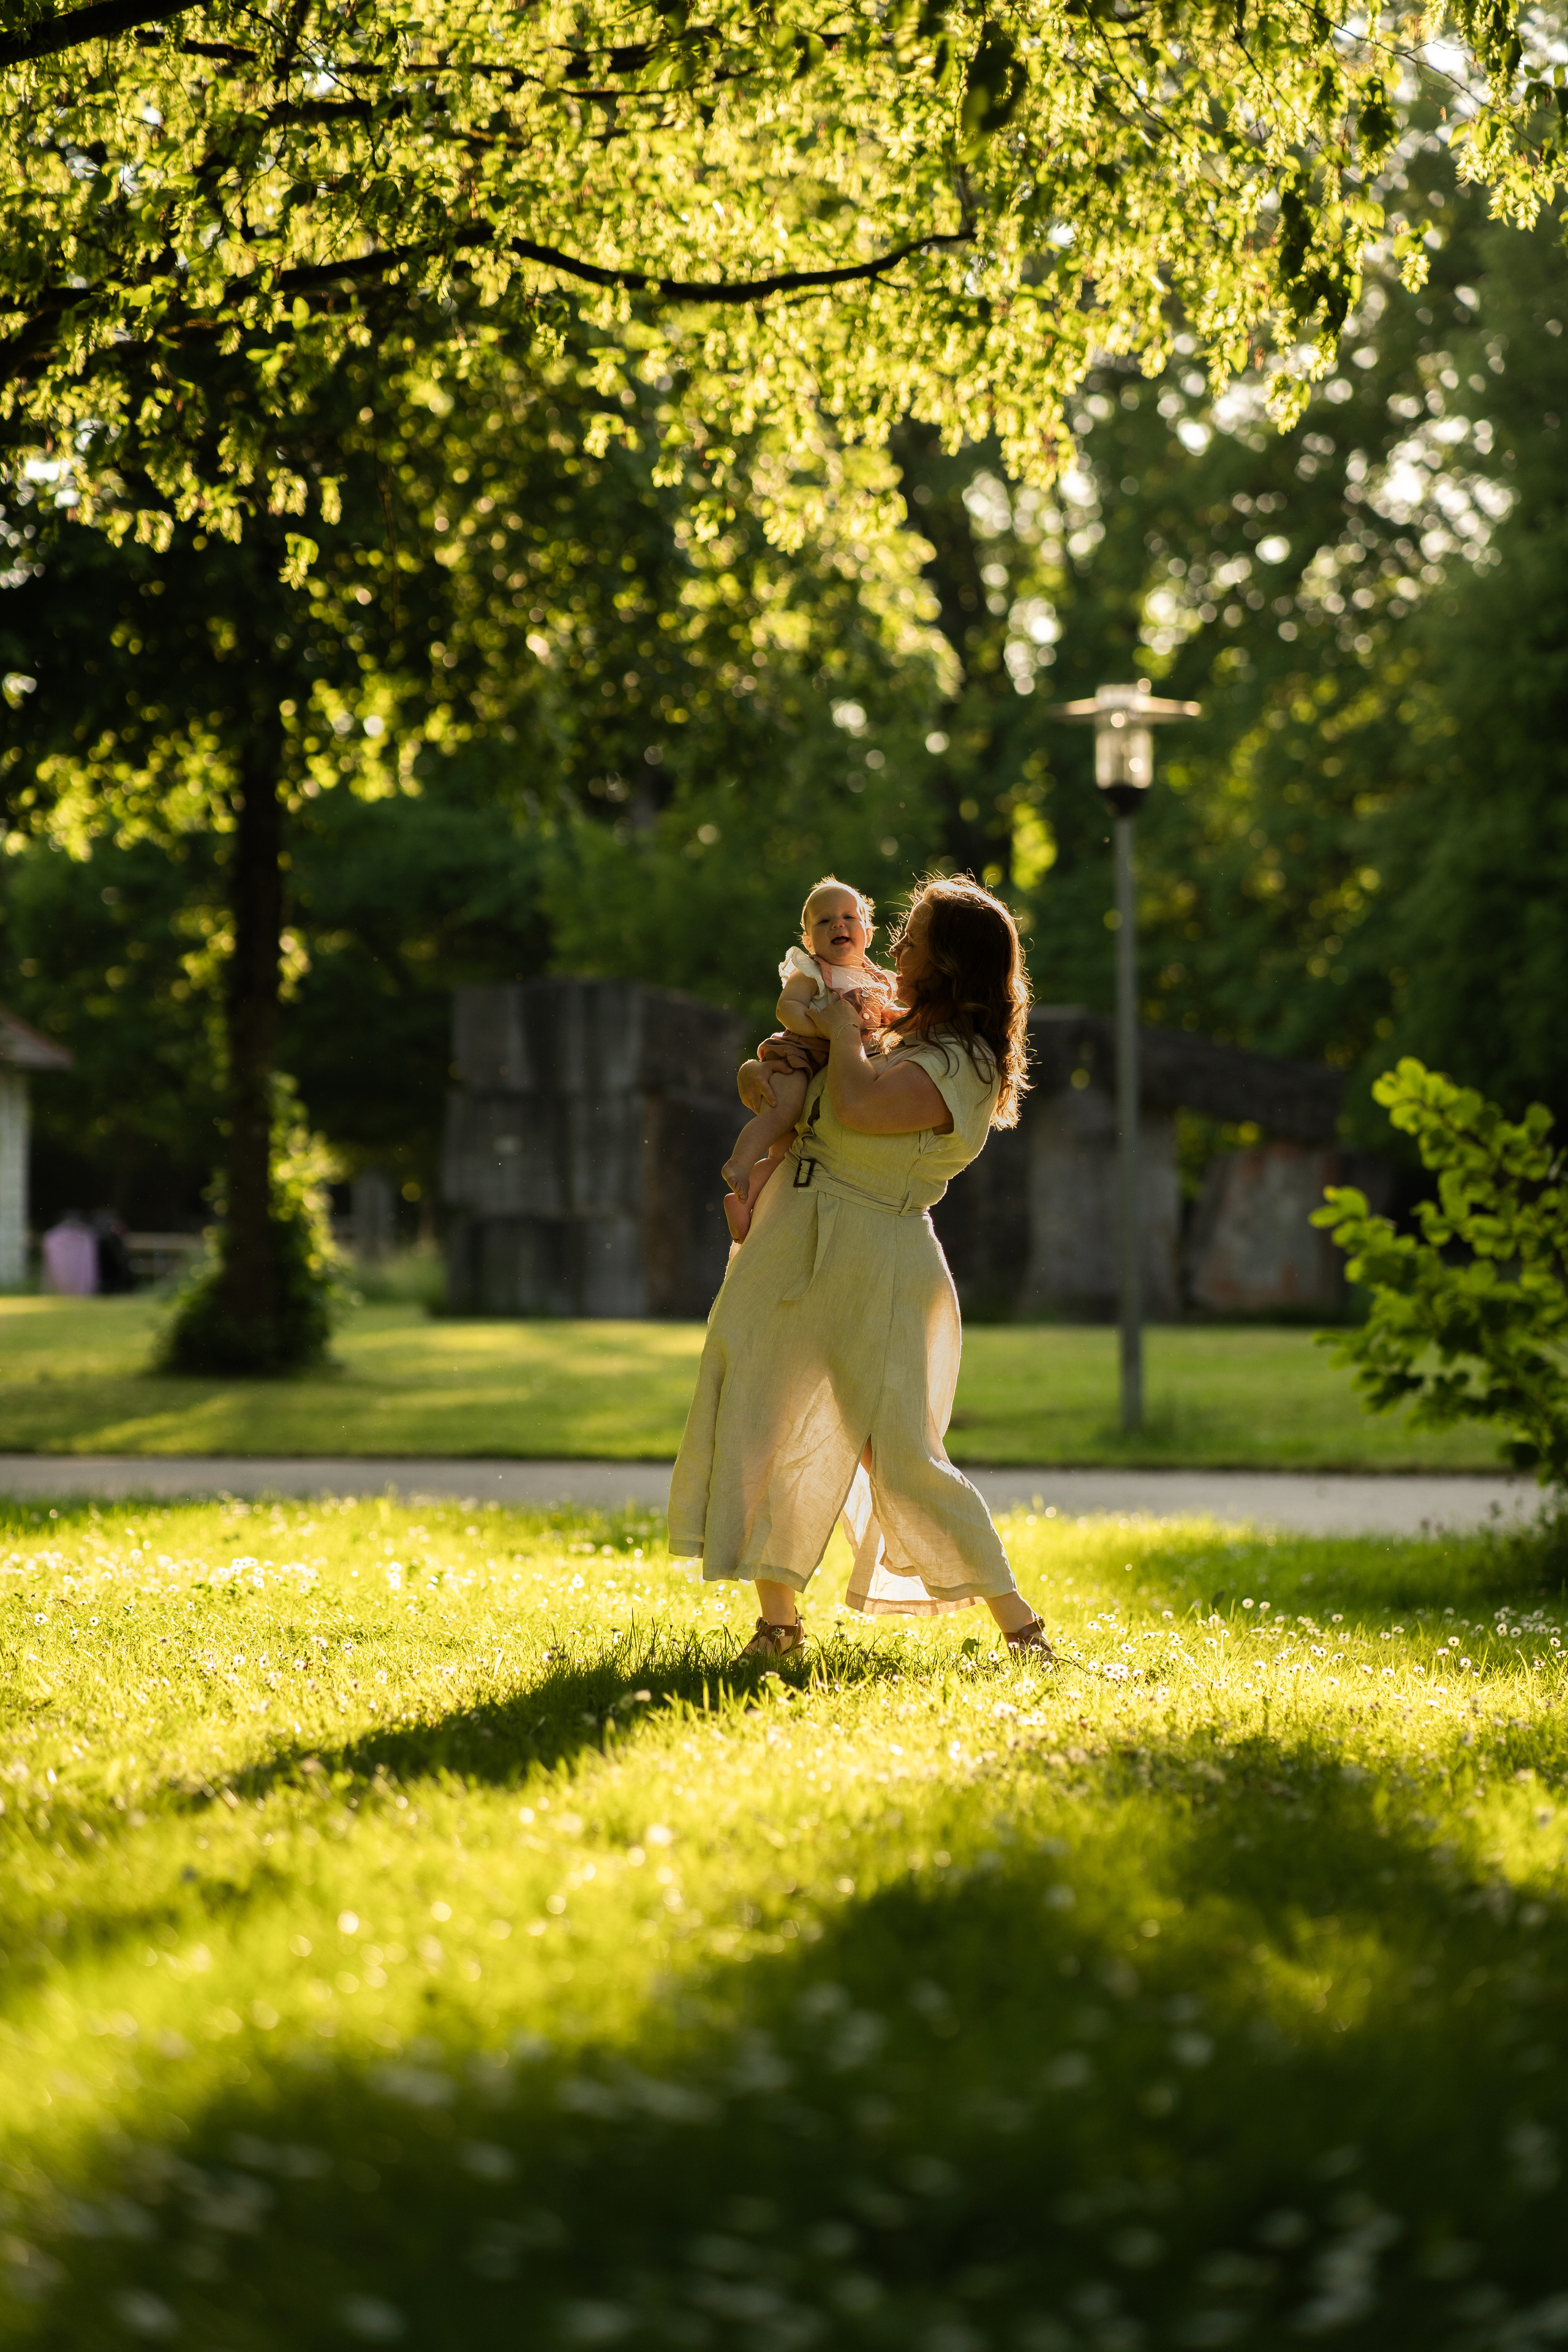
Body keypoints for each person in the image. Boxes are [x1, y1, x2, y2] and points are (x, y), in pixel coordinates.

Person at [669, 873, 1055, 1662]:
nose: (895, 948)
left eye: (912, 938)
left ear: (948, 961)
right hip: (794, 1237)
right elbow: (802, 1103)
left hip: (875, 1259)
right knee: (754, 1414)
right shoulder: (894, 1030)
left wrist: (842, 1037)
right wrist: (772, 1066)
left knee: (900, 1453)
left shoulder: (963, 1062)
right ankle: (778, 1627)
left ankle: (1023, 1631)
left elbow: (863, 1109)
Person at [719, 876, 897, 1243]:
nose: (838, 924)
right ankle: (739, 1161)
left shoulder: (878, 981)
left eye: (850, 917)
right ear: (808, 940)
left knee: (788, 1154)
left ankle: (745, 1200)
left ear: (869, 931)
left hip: (838, 1060)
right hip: (800, 1053)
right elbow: (787, 1009)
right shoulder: (813, 971)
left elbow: (886, 1017)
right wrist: (826, 1031)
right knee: (783, 1112)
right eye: (824, 920)